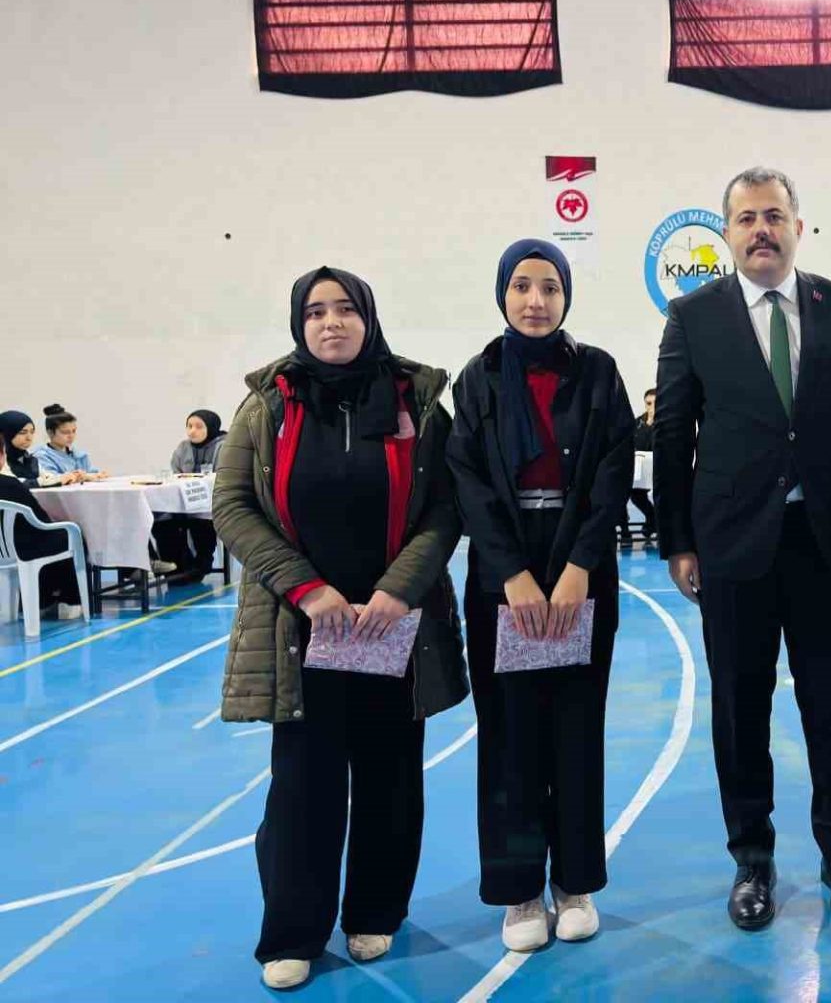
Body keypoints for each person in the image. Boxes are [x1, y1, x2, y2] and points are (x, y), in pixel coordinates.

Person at [213, 266, 468, 992]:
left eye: (346, 309)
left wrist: (397, 591)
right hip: (301, 630)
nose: (332, 323)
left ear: (369, 318)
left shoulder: (418, 401)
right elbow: (233, 506)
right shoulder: (268, 404)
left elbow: (444, 509)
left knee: (391, 775)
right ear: (300, 323)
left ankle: (375, 910)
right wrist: (307, 588)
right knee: (302, 784)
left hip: (393, 627)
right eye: (317, 311)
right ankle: (293, 931)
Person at [654, 166, 831, 931]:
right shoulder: (692, 316)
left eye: (774, 216)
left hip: (826, 544)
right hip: (732, 547)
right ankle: (752, 859)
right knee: (740, 710)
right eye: (747, 218)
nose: (761, 230)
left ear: (798, 227)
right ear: (727, 232)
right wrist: (677, 540)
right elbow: (672, 434)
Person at [447, 239, 634, 953]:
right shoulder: (478, 379)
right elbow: (467, 481)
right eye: (522, 286)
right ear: (502, 294)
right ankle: (520, 890)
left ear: (566, 296)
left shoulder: (598, 371)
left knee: (577, 730)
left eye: (549, 287)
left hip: (581, 568)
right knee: (510, 738)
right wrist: (510, 576)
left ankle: (575, 882)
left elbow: (614, 468)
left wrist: (582, 563)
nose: (535, 301)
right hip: (506, 579)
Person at [0, 444, 85, 619]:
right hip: (22, 548)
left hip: (4, 550)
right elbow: (40, 518)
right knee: (69, 535)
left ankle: (42, 600)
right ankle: (70, 601)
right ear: (2, 455)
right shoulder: (11, 485)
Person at [152, 410, 227, 581]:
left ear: (211, 428)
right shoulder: (183, 447)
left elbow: (224, 477)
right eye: (189, 426)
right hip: (183, 503)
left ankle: (202, 562)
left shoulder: (224, 446)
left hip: (212, 502)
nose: (192, 431)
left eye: (199, 427)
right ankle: (176, 566)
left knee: (201, 518)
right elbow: (175, 473)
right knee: (161, 519)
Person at [33, 405, 108, 480]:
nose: (71, 436)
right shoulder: (41, 456)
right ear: (50, 433)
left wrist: (99, 475)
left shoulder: (80, 455)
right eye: (65, 432)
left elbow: (92, 473)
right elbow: (51, 480)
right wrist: (82, 476)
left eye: (74, 431)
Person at [2, 412, 64, 487]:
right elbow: (11, 483)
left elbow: (47, 477)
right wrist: (43, 482)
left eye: (32, 432)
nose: (29, 438)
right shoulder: (2, 459)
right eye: (22, 432)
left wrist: (67, 477)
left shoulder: (29, 459)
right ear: (6, 433)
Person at [628, 388, 658, 543]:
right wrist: (648, 425)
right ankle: (651, 518)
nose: (651, 407)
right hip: (641, 466)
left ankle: (657, 523)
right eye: (649, 403)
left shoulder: (665, 423)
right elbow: (637, 443)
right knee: (635, 495)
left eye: (655, 403)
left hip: (659, 467)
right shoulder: (639, 422)